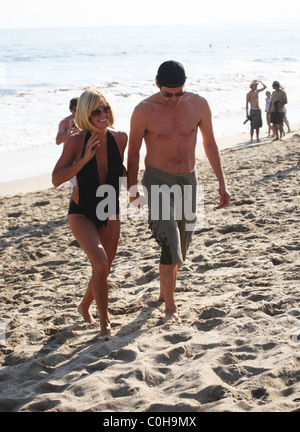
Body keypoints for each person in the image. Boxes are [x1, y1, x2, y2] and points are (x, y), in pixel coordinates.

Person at [127, 60, 230, 323]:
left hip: (189, 181)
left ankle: (165, 290)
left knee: (181, 250)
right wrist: (132, 189)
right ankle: (170, 307)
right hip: (157, 181)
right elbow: (134, 151)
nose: (173, 99)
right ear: (157, 83)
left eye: (179, 93)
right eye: (167, 94)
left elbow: (209, 143)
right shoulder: (143, 110)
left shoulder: (198, 104)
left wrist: (222, 182)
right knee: (170, 243)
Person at [52, 88, 127, 339]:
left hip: (110, 207)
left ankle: (84, 305)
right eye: (96, 111)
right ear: (85, 114)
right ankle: (104, 324)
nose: (103, 114)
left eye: (105, 108)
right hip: (82, 211)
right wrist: (83, 159)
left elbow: (121, 172)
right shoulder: (75, 141)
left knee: (103, 269)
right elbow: (55, 179)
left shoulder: (120, 138)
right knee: (101, 262)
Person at [56, 97, 80, 188]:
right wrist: (70, 130)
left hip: (84, 157)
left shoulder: (87, 120)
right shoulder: (64, 123)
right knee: (75, 188)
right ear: (71, 110)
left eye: (79, 109)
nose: (77, 112)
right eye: (75, 110)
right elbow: (58, 141)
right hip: (70, 158)